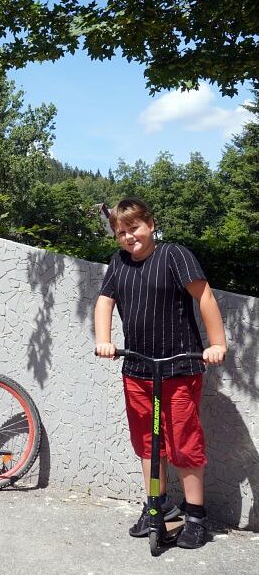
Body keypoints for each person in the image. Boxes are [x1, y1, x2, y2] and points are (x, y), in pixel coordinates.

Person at [94, 198, 227, 549]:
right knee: (149, 444)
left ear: (150, 224)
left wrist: (217, 343)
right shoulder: (118, 263)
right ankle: (158, 504)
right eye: (121, 232)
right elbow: (104, 302)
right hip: (137, 367)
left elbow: (204, 297)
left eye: (134, 228)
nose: (128, 237)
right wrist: (105, 341)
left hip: (179, 366)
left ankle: (195, 515)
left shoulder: (174, 255)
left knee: (184, 442)